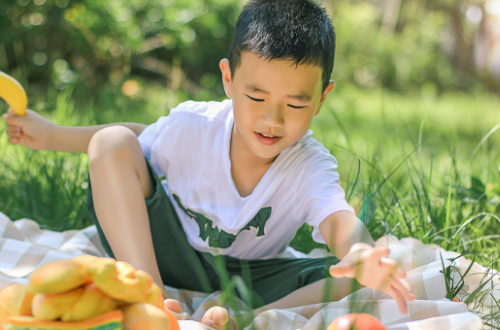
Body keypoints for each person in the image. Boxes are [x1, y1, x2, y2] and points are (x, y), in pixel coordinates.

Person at [2, 0, 414, 328]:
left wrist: (360, 250)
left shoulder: (310, 165)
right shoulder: (194, 125)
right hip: (165, 250)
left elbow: (337, 220)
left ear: (322, 98)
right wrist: (51, 135)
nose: (272, 120)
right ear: (228, 80)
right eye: (256, 98)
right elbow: (130, 140)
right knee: (111, 142)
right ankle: (148, 295)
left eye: (295, 104)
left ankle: (239, 320)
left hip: (250, 277)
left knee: (349, 276)